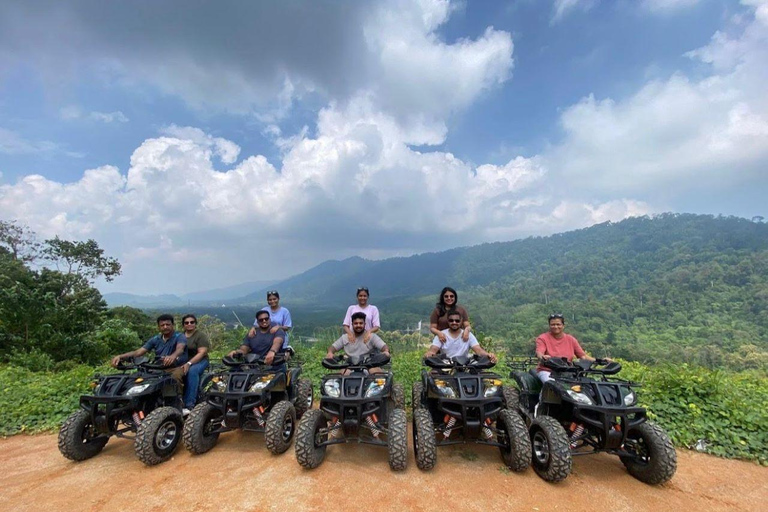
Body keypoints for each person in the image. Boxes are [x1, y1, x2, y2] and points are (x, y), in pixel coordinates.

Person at [111, 313, 187, 387]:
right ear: (158, 327)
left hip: (176, 367)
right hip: (158, 367)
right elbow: (138, 352)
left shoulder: (179, 336)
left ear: (172, 325)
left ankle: (178, 398)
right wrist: (120, 356)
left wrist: (172, 356)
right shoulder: (156, 339)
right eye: (162, 325)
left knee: (174, 378)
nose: (165, 327)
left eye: (168, 324)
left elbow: (180, 349)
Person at [535, 313, 607, 383]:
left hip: (567, 371)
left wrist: (600, 361)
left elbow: (583, 356)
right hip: (547, 371)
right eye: (553, 325)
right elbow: (539, 352)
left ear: (563, 325)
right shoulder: (543, 338)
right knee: (551, 384)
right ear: (549, 326)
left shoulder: (571, 339)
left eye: (558, 324)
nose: (555, 327)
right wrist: (543, 357)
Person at [424, 309, 496, 363]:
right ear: (448, 321)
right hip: (445, 366)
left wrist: (488, 355)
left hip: (465, 366)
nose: (454, 322)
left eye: (457, 320)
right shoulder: (441, 335)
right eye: (451, 320)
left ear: (461, 321)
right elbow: (433, 350)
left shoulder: (468, 335)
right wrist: (429, 354)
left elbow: (478, 350)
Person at [180, 314, 210, 414]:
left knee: (192, 371)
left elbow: (202, 352)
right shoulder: (180, 336)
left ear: (195, 324)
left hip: (200, 361)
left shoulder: (200, 336)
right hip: (183, 361)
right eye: (186, 322)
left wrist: (189, 363)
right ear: (183, 325)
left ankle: (189, 405)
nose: (189, 324)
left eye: (192, 322)